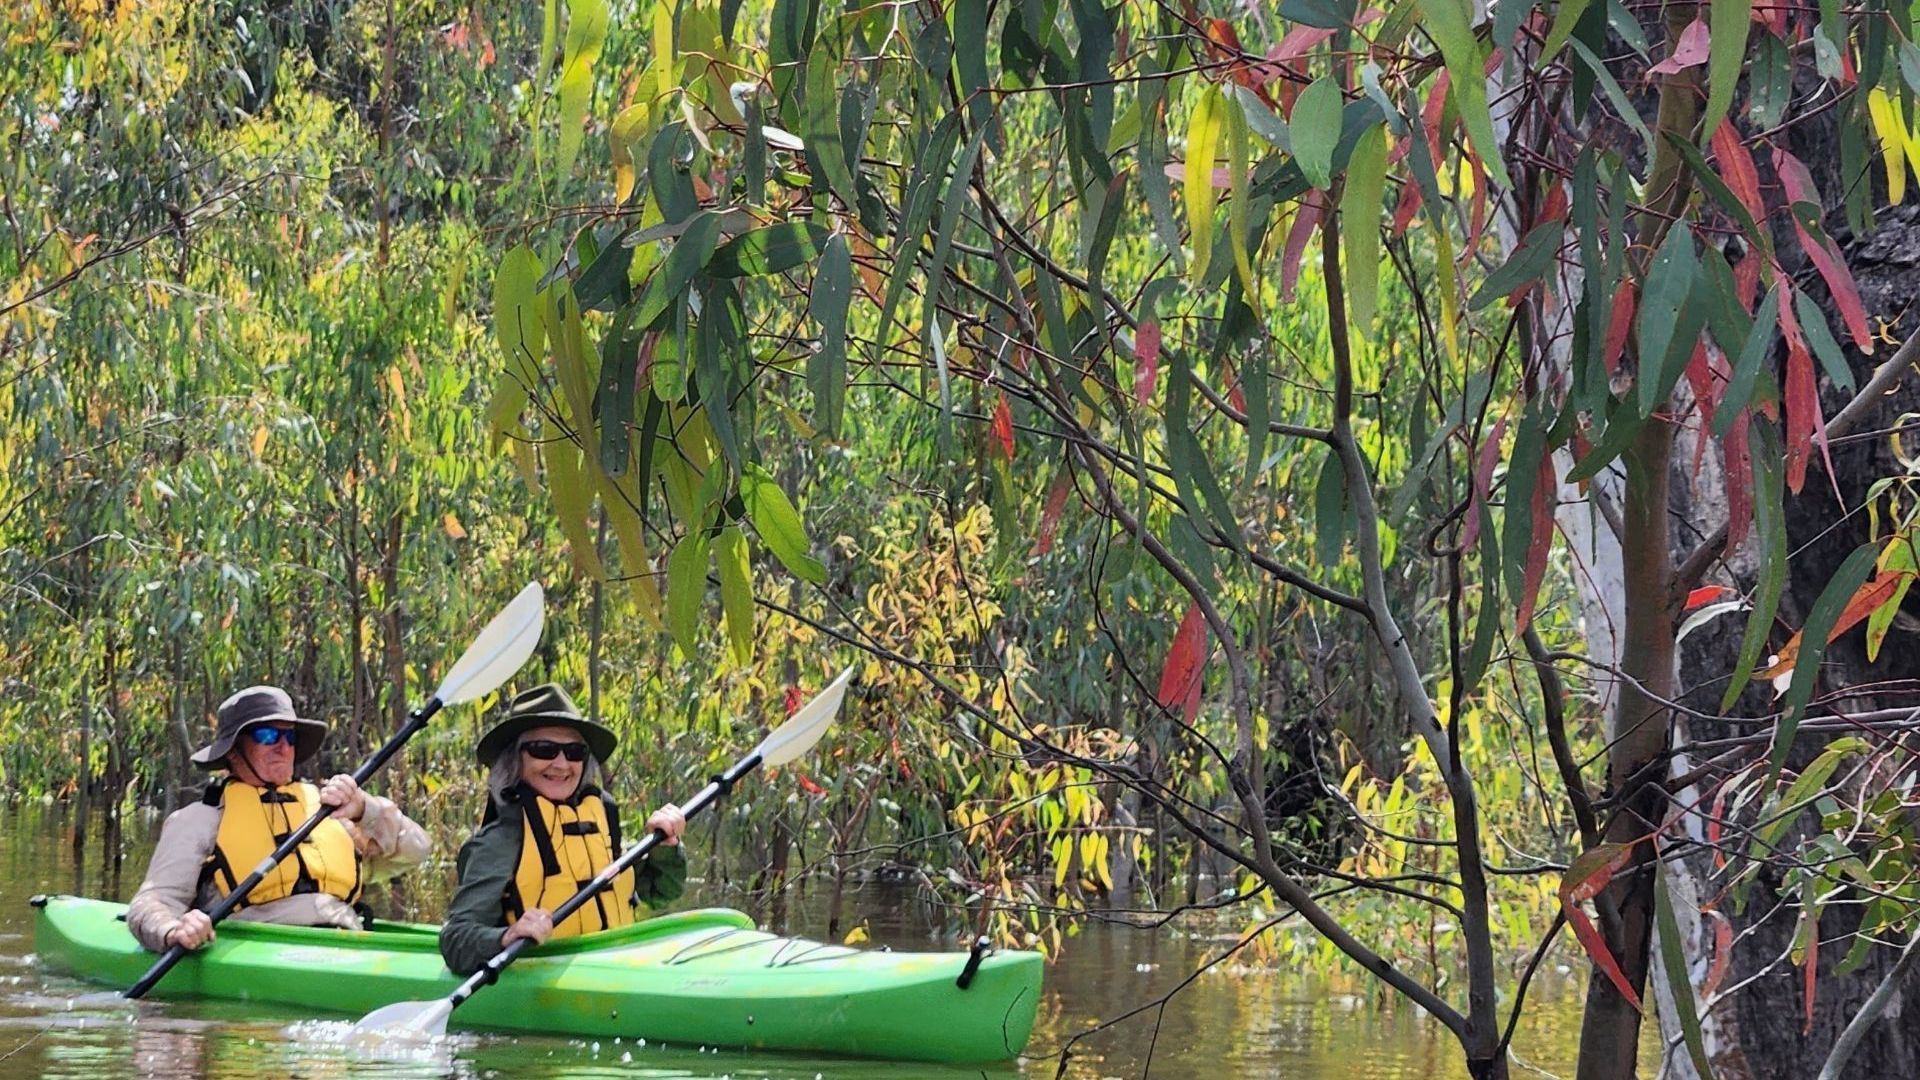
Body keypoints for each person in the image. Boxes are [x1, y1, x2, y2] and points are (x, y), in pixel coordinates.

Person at [126, 685, 431, 952]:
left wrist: (366, 810)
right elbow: (151, 903)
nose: (283, 746)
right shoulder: (199, 821)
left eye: (289, 736)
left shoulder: (329, 811)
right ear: (234, 750)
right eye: (268, 735)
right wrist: (172, 931)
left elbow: (418, 852)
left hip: (345, 941)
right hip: (260, 947)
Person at [438, 684, 687, 976]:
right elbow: (455, 940)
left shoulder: (601, 820)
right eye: (544, 750)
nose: (561, 763)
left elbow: (661, 893)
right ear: (515, 759)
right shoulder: (499, 842)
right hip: (541, 990)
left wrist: (664, 848)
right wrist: (506, 936)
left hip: (616, 975)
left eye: (574, 752)